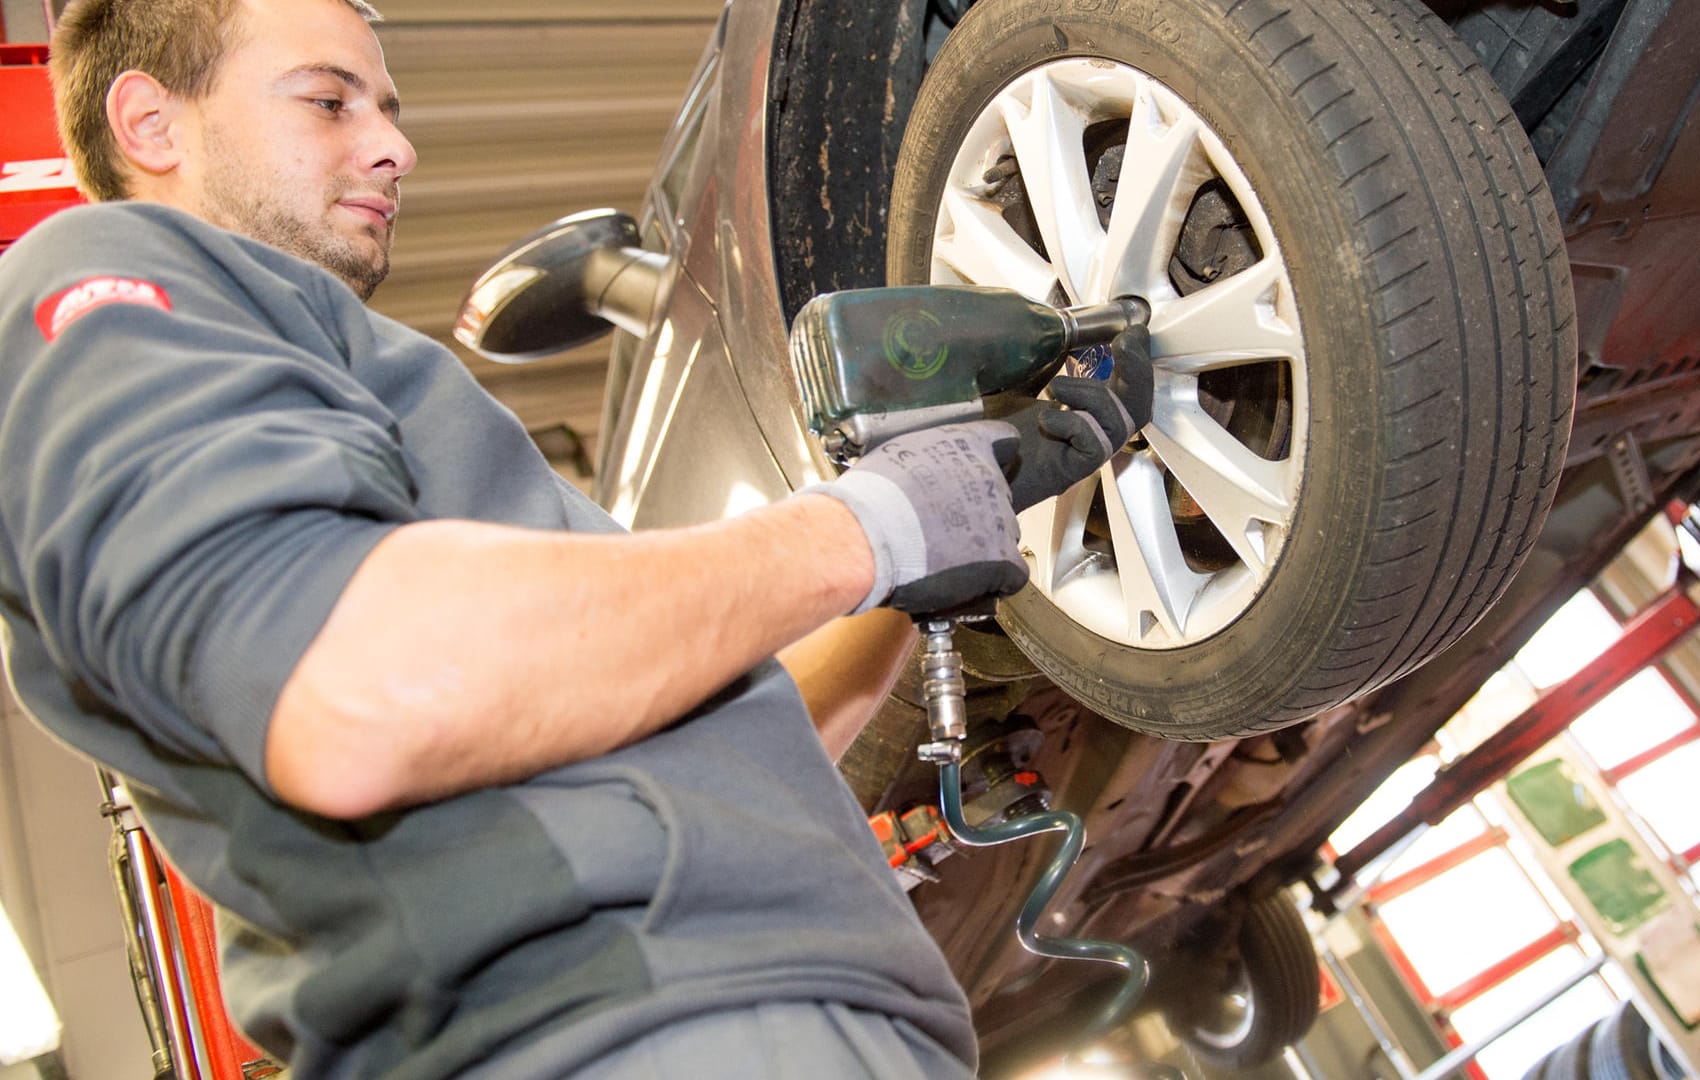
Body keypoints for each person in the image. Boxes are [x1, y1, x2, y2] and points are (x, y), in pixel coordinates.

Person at [0, 0, 1154, 1076]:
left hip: (807, 1020)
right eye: (328, 101)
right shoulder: (105, 282)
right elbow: (368, 693)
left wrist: (933, 537)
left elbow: (728, 729)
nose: (395, 147)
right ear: (151, 122)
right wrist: (871, 523)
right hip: (627, 1029)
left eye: (388, 110)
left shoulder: (375, 403)